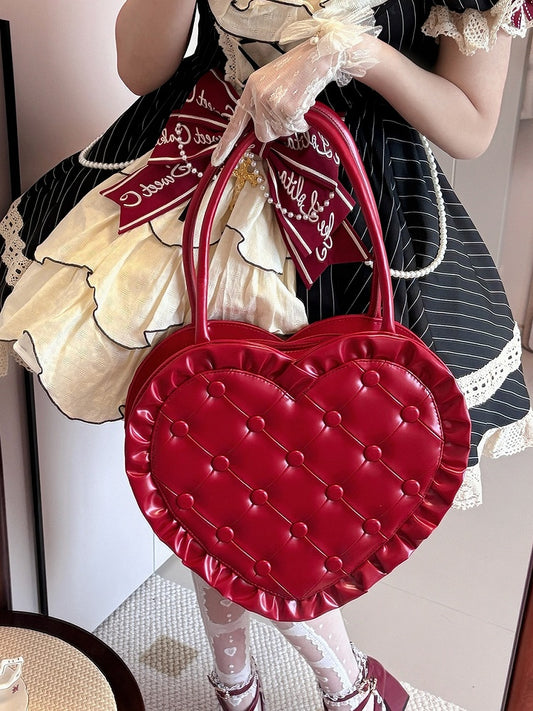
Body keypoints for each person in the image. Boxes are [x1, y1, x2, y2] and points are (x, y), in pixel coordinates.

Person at [1, 0, 532, 708]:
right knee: (209, 459)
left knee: (290, 486)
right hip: (203, 180)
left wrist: (350, 54)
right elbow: (141, 68)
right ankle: (285, 687)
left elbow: (470, 123)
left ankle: (309, 685)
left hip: (352, 215)